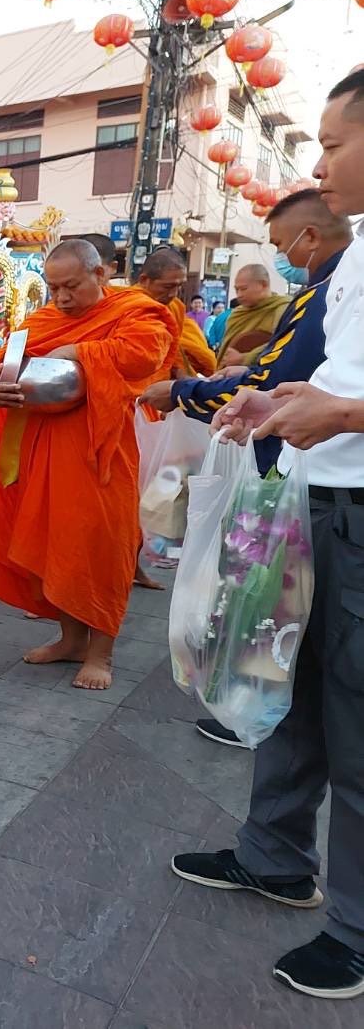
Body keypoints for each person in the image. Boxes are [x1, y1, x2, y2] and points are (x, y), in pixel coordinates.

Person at [171, 68, 364, 1001]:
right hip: (311, 504)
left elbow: (352, 397)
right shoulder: (356, 253)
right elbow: (331, 375)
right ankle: (274, 856)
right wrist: (279, 400)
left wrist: (348, 416)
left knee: (356, 728)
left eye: (332, 144)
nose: (317, 164)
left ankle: (357, 934)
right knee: (280, 686)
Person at [141, 189, 350, 750]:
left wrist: (183, 392)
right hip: (289, 464)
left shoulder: (328, 295)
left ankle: (255, 709)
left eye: (282, 245)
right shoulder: (318, 290)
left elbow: (271, 380)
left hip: (300, 480)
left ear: (311, 238)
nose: (321, 167)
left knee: (266, 606)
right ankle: (257, 713)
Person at [0, 240, 173, 691]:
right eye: (54, 287)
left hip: (101, 454)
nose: (61, 298)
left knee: (101, 548)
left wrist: (78, 352)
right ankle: (70, 640)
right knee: (52, 545)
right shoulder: (43, 321)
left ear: (100, 276)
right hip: (43, 451)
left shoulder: (136, 312)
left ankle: (101, 654)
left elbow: (147, 354)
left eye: (72, 286)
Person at [136, 248, 217, 378]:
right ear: (144, 280)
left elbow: (174, 354)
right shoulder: (126, 305)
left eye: (179, 286)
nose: (173, 294)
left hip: (165, 382)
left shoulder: (175, 307)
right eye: (167, 287)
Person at [217, 263, 289, 369]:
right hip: (228, 375)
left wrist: (245, 358)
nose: (239, 295)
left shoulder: (282, 308)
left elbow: (284, 342)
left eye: (244, 289)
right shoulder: (237, 313)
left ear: (264, 285)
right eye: (237, 289)